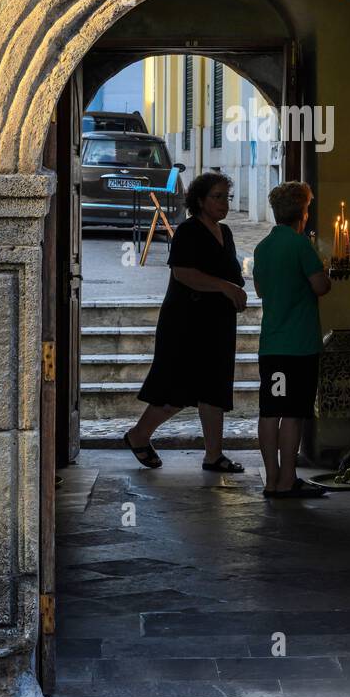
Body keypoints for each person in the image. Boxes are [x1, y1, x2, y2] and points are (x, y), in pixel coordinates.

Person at [124, 172, 248, 474]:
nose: (223, 204)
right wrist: (226, 288)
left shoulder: (226, 232)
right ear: (200, 200)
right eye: (217, 197)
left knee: (215, 388)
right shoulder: (188, 232)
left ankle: (213, 455)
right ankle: (138, 435)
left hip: (217, 323)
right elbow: (184, 274)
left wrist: (236, 288)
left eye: (226, 197)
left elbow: (229, 270)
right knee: (176, 388)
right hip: (186, 323)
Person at [253, 181, 332, 498]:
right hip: (299, 346)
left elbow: (260, 290)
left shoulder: (263, 247)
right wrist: (326, 270)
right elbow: (320, 287)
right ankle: (288, 479)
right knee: (294, 413)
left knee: (270, 411)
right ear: (303, 212)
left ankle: (270, 479)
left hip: (272, 344)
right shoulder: (301, 246)